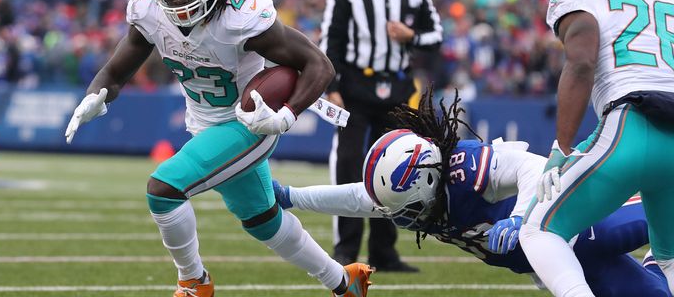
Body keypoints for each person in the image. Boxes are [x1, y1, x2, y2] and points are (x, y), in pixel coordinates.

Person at [63, 0, 374, 297]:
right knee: (263, 220)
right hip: (203, 124)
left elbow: (319, 65)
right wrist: (97, 94)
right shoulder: (149, 6)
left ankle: (194, 282)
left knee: (164, 189)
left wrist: (286, 115)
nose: (177, 3)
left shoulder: (240, 14)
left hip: (249, 122)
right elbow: (116, 70)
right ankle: (345, 283)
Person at [273, 88, 671, 296]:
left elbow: (531, 167)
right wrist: (292, 196)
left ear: (428, 182)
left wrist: (520, 220)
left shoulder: (465, 168)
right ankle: (658, 263)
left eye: (406, 210)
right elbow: (361, 199)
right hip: (556, 261)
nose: (404, 219)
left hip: (580, 226)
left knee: (658, 220)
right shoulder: (412, 191)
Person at [518, 0, 674, 297]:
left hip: (631, 125)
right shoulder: (669, 1)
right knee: (669, 257)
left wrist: (562, 146)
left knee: (538, 229)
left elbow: (582, 61)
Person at [319, 0, 442, 272]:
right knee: (348, 164)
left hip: (399, 89)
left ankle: (384, 252)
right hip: (356, 87)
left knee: (399, 168)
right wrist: (332, 86)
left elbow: (436, 37)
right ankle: (346, 249)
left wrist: (410, 36)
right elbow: (332, 42)